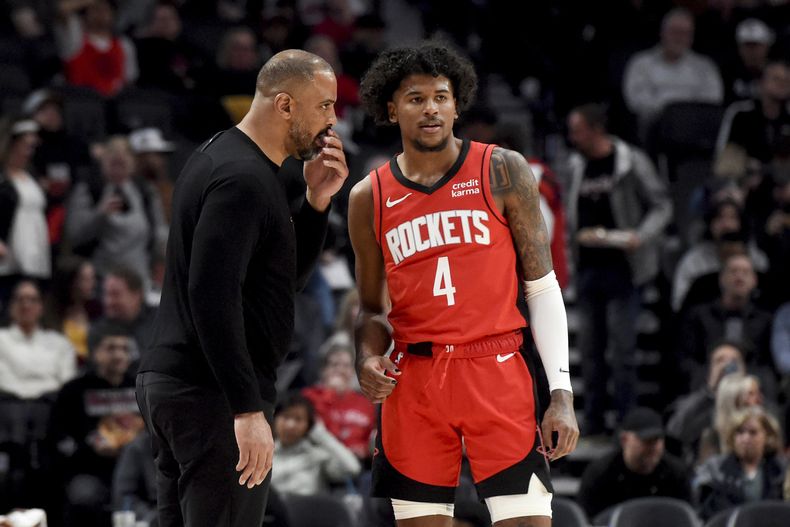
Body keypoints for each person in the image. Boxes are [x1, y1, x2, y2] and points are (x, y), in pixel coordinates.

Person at [349, 42, 578, 526]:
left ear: (457, 105)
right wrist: (365, 358)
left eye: (441, 96)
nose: (431, 108)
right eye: (415, 98)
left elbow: (541, 286)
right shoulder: (369, 196)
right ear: (391, 109)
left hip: (496, 367)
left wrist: (561, 393)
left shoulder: (502, 169)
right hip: (414, 378)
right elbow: (371, 308)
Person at [136, 49, 348, 527]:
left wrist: (316, 202)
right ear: (285, 105)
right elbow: (211, 295)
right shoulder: (243, 179)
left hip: (186, 387)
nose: (333, 119)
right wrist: (246, 408)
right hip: (212, 394)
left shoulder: (225, 157)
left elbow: (282, 283)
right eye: (324, 105)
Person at [565, 103, 672, 434]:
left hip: (623, 268)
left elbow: (661, 205)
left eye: (578, 130)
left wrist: (641, 236)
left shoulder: (630, 161)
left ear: (596, 129)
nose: (572, 138)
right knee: (590, 349)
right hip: (588, 267)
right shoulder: (576, 165)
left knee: (623, 349)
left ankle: (626, 421)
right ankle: (594, 419)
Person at [577, 407, 691, 523]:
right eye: (646, 441)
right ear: (624, 440)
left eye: (656, 441)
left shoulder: (676, 473)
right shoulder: (601, 473)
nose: (652, 448)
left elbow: (688, 516)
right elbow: (587, 519)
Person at [694, 406, 786, 521]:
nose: (745, 438)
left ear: (767, 437)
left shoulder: (780, 470)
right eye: (740, 432)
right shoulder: (714, 470)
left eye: (753, 432)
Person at [270, 392, 361, 496]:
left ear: (309, 426)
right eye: (286, 417)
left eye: (298, 419)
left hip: (306, 505)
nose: (290, 425)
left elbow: (352, 468)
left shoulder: (318, 455)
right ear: (274, 419)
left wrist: (321, 434)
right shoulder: (264, 454)